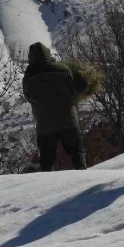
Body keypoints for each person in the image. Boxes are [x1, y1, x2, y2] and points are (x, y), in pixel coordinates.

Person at [23, 42, 88, 171]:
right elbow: (75, 89)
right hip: (68, 120)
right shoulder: (63, 69)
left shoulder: (28, 77)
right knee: (77, 153)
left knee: (47, 160)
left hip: (44, 125)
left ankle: (48, 188)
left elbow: (28, 97)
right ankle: (85, 179)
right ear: (48, 54)